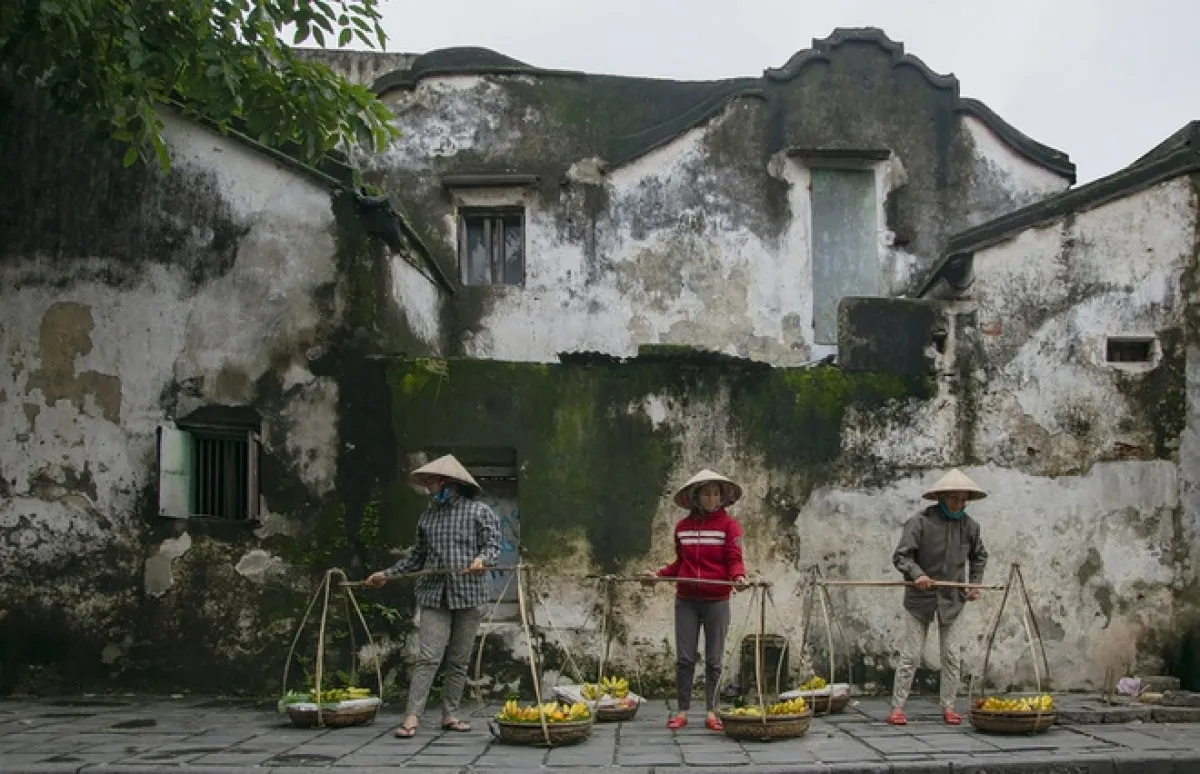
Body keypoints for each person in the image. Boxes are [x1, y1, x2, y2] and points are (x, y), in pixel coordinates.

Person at [364, 454, 501, 739]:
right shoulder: (427, 517)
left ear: (448, 483)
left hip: (470, 594)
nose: (427, 486)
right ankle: (412, 716)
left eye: (432, 481)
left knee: (459, 660)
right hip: (433, 593)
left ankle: (450, 714)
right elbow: (416, 557)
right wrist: (386, 574)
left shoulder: (479, 512)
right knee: (428, 657)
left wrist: (481, 560)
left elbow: (492, 545)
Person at [645, 469, 747, 732]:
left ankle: (712, 711)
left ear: (722, 497)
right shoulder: (682, 528)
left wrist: (738, 577)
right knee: (685, 659)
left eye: (716, 493)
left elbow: (733, 559)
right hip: (687, 600)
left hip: (717, 600)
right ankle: (682, 711)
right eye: (706, 493)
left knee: (714, 659)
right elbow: (680, 564)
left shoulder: (729, 526)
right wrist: (657, 575)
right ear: (695, 497)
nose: (712, 498)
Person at [888, 468, 989, 726]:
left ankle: (948, 706)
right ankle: (897, 707)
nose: (960, 503)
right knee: (911, 654)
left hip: (952, 598)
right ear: (942, 497)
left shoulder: (970, 527)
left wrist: (974, 584)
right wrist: (917, 574)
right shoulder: (920, 522)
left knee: (951, 655)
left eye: (964, 498)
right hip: (919, 598)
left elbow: (979, 556)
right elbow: (902, 556)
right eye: (955, 498)